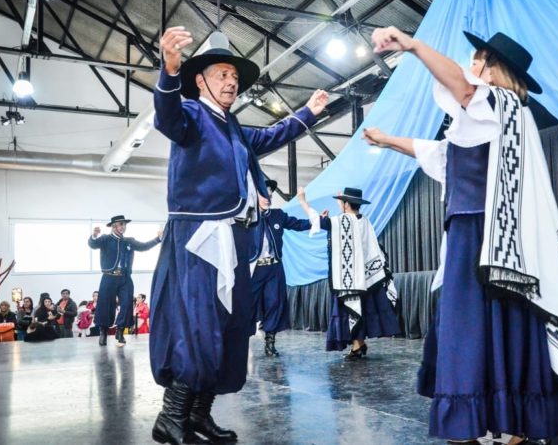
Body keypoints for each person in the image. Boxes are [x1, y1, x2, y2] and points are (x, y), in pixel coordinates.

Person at [364, 27, 558, 443]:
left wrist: (413, 45)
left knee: (488, 325)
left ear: (492, 67)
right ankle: (496, 419)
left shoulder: (502, 105)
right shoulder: (489, 116)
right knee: (477, 327)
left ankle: (511, 422)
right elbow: (442, 154)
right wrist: (388, 141)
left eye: (477, 58)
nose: (470, 65)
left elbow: (464, 90)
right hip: (470, 231)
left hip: (493, 233)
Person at [149, 26, 328, 445]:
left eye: (234, 76)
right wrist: (169, 70)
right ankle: (170, 417)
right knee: (200, 325)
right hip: (199, 237)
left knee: (230, 327)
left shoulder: (233, 128)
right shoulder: (190, 115)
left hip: (235, 239)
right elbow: (166, 115)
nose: (231, 81)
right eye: (222, 74)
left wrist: (309, 112)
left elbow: (270, 136)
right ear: (201, 80)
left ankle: (198, 414)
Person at [298, 187, 401, 360]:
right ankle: (359, 343)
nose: (339, 204)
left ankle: (357, 346)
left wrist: (302, 200)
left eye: (340, 201)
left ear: (346, 204)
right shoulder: (364, 221)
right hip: (366, 277)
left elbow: (316, 221)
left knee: (351, 308)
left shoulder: (343, 221)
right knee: (361, 308)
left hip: (350, 279)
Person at [250, 180, 313, 357]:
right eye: (264, 193)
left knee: (274, 303)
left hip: (274, 268)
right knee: (247, 305)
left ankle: (270, 342)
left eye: (270, 194)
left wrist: (317, 220)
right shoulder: (247, 217)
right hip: (253, 269)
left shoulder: (277, 215)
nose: (268, 197)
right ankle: (239, 343)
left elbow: (298, 224)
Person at [88, 215, 162, 347]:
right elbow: (93, 244)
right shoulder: (105, 239)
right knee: (105, 305)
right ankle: (103, 332)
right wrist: (94, 235)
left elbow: (144, 246)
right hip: (108, 276)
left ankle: (120, 331)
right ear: (113, 226)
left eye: (124, 224)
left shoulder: (129, 241)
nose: (123, 227)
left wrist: (158, 239)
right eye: (120, 224)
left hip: (125, 277)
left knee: (127, 303)